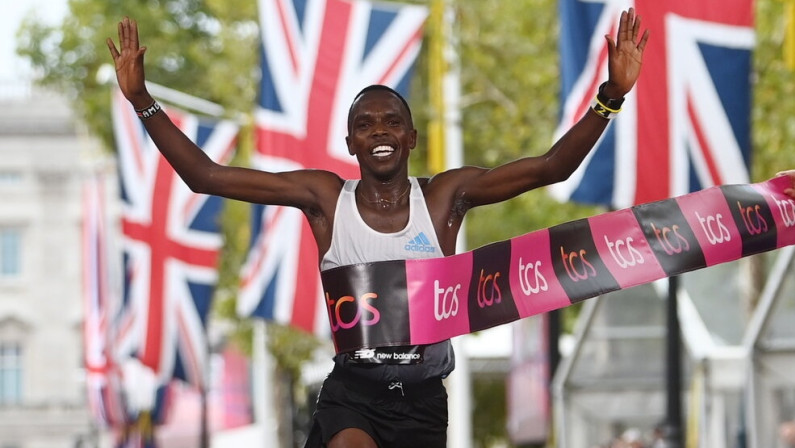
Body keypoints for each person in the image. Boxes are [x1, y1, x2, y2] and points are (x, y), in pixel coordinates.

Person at [107, 8, 648, 448]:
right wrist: (142, 101)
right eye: (365, 125)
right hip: (354, 394)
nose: (379, 132)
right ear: (350, 144)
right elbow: (206, 177)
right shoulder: (323, 198)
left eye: (392, 122)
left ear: (411, 137)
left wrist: (611, 97)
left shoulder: (443, 198)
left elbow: (550, 167)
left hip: (423, 400)